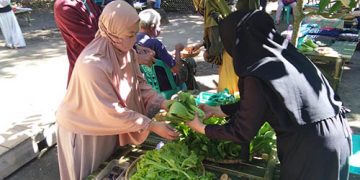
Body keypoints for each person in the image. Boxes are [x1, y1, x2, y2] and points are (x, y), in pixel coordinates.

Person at [187, 10, 352, 180]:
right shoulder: (284, 55)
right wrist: (219, 109)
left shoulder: (256, 71)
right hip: (338, 134)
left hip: (312, 148)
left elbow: (242, 131)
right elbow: (263, 101)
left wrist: (200, 127)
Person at [55, 1, 179, 179]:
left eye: (135, 33)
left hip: (110, 124)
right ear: (114, 32)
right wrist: (150, 125)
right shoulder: (93, 64)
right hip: (86, 131)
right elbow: (111, 110)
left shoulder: (125, 50)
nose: (134, 40)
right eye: (130, 34)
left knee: (108, 167)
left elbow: (139, 83)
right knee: (91, 173)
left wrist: (163, 102)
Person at [54, 0, 156, 86]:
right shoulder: (64, 7)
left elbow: (109, 31)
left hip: (109, 71)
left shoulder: (86, 2)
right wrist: (135, 58)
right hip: (88, 76)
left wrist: (135, 47)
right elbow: (95, 44)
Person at [136, 9, 199, 90]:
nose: (159, 28)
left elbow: (160, 57)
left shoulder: (135, 40)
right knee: (189, 62)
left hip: (150, 82)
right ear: (152, 27)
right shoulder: (155, 44)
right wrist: (178, 50)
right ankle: (193, 90)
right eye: (159, 25)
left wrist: (170, 53)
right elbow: (176, 69)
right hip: (166, 82)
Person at [192, 0, 239, 95]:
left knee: (229, 95)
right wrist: (201, 44)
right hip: (235, 54)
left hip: (228, 60)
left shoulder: (212, 18)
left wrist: (207, 54)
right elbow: (219, 35)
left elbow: (216, 47)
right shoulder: (221, 11)